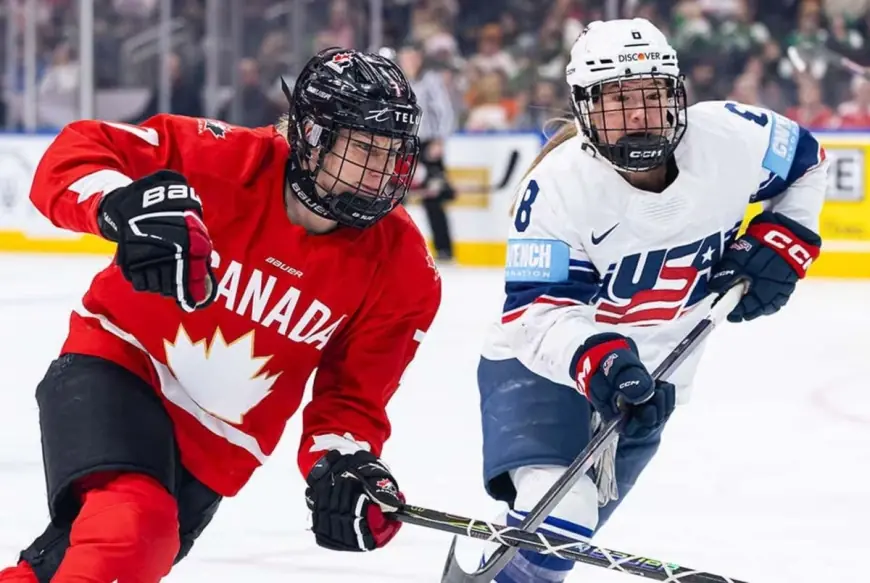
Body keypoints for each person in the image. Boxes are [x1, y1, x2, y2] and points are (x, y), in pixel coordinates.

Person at [0, 47, 441, 583]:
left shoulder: (404, 269)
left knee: (90, 560)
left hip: (219, 452)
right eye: (364, 149)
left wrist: (345, 462)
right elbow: (76, 152)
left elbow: (351, 399)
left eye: (392, 153)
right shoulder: (217, 157)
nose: (381, 172)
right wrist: (122, 206)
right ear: (313, 135)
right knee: (130, 532)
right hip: (119, 369)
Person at [469, 18, 826, 583]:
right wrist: (604, 361)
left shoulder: (731, 138)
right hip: (542, 367)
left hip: (655, 378)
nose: (637, 115)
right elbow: (537, 314)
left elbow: (806, 160)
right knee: (564, 516)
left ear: (675, 95)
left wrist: (785, 240)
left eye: (650, 96)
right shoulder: (558, 187)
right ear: (585, 108)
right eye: (616, 100)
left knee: (557, 546)